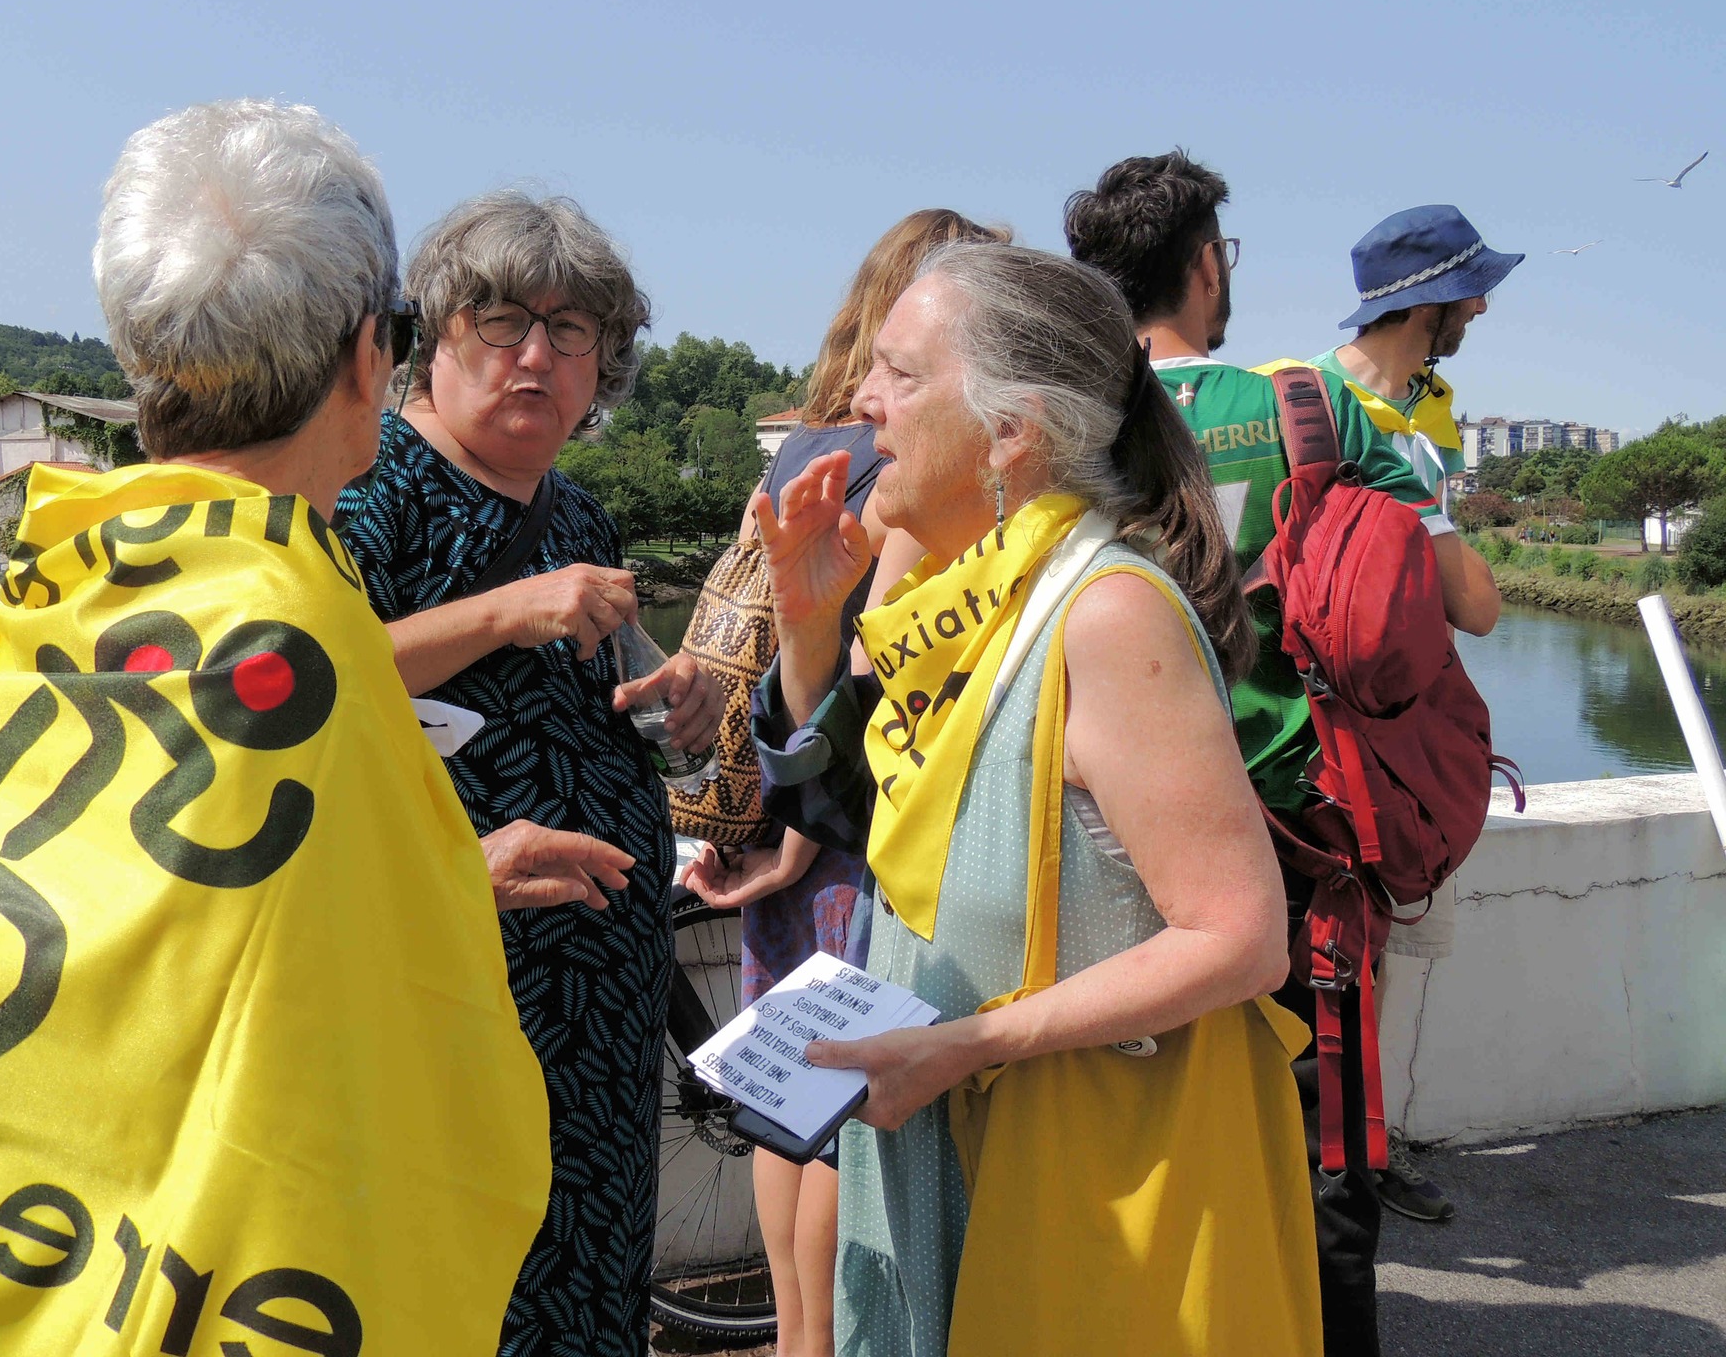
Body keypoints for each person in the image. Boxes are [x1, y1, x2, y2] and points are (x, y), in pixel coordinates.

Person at [0, 100, 631, 1355]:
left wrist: (450, 870)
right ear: (369, 357)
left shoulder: (46, 584)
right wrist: (454, 883)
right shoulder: (290, 633)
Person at [751, 243, 1321, 1357]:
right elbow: (856, 821)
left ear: (1011, 432)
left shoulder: (1104, 615)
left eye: (901, 376)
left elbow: (1242, 939)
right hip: (967, 1139)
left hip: (1086, 1183)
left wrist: (968, 1044)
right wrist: (806, 624)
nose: (862, 401)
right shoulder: (962, 599)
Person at [1065, 151, 1500, 1357]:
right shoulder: (1312, 407)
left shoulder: (1060, 425)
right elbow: (1469, 607)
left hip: (1107, 848)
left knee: (1128, 1137)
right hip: (1297, 840)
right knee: (1319, 1146)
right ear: (1206, 265)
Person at [333, 191, 725, 1357]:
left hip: (599, 992)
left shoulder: (576, 510)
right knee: (467, 1289)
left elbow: (618, 700)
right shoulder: (374, 489)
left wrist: (681, 705)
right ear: (431, 337)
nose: (536, 357)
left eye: (571, 333)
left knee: (591, 1281)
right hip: (454, 974)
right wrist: (505, 610)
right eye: (500, 322)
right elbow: (312, 679)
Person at [682, 207, 1006, 1357]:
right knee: (840, 1111)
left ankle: (789, 1335)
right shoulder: (905, 469)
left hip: (769, 811)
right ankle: (821, 1342)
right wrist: (813, 831)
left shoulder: (803, 445)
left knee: (785, 1096)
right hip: (839, 835)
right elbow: (874, 666)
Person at [1308, 203, 1523, 1224]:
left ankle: (1364, 1144)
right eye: (1468, 290)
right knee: (1332, 954)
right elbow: (1472, 601)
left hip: (1400, 726)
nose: (1480, 305)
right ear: (1426, 302)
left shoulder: (1425, 405)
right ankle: (1338, 1161)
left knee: (1377, 951)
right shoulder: (1310, 402)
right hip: (1335, 733)